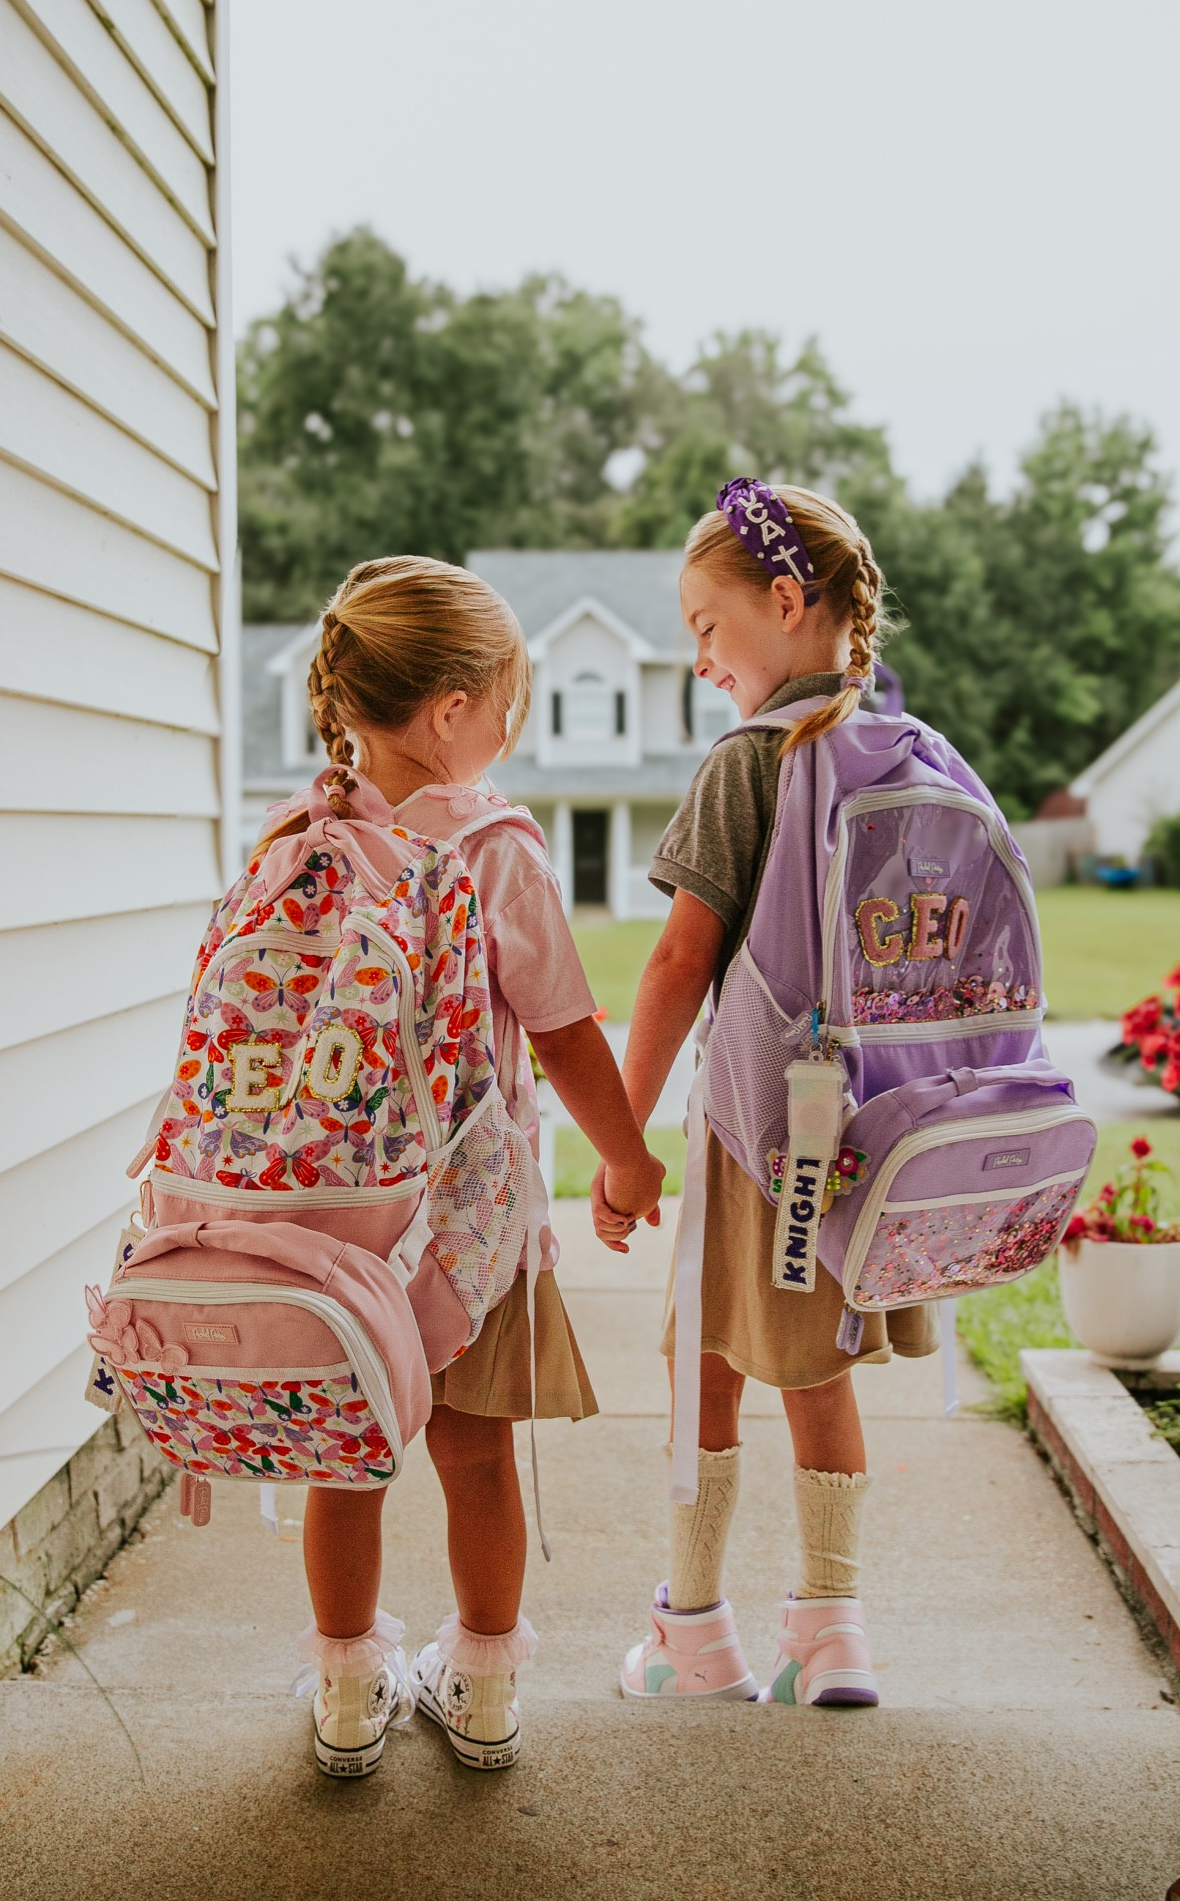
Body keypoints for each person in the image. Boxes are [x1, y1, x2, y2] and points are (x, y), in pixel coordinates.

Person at [296, 556, 666, 1773]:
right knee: (475, 1450)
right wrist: (626, 1161)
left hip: (328, 1227)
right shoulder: (495, 847)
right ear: (451, 708)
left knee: (348, 1457)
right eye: (508, 696)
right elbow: (562, 1030)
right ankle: (486, 1683)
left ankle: (349, 1691)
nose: (510, 722)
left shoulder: (300, 834)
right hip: (465, 1224)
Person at [595, 484, 939, 1708]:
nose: (697, 660)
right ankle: (833, 1630)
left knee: (706, 1364)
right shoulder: (903, 754)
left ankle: (694, 1633)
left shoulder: (752, 761)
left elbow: (680, 959)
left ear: (786, 604)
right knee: (816, 1366)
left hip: (757, 1132)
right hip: (869, 1134)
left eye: (706, 625)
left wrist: (618, 1131)